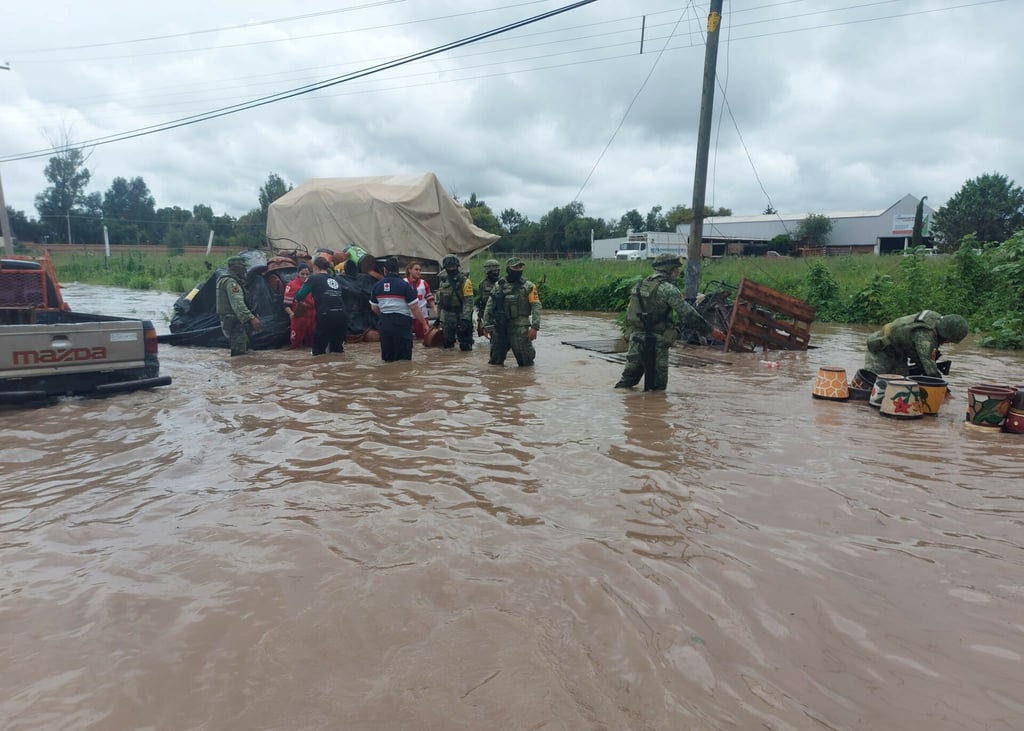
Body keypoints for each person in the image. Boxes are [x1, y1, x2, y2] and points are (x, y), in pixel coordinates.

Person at [614, 253, 719, 391]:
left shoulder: (640, 285)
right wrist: (709, 330)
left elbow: (630, 314)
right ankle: (654, 412)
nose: (678, 271)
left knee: (626, 382)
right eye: (676, 268)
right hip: (657, 341)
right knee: (658, 388)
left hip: (636, 339)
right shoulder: (668, 289)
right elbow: (687, 313)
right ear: (668, 269)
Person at [864, 310, 968, 378]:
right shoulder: (925, 335)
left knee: (900, 385)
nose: (947, 343)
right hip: (880, 349)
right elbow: (929, 367)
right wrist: (942, 385)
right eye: (948, 340)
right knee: (871, 383)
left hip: (899, 353)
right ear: (946, 334)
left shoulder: (935, 319)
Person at [481, 256, 541, 367]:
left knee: (526, 363)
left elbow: (536, 306)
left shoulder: (529, 286)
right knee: (495, 362)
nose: (518, 269)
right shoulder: (498, 285)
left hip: (520, 328)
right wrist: (486, 325)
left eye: (520, 267)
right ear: (508, 268)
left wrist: (535, 327)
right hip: (500, 327)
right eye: (515, 267)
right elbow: (489, 306)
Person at [370, 257, 429, 362]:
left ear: (385, 270)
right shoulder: (404, 286)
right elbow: (415, 308)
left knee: (387, 359)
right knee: (403, 360)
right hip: (401, 324)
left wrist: (385, 316)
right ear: (398, 270)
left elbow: (374, 308)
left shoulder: (377, 286)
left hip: (384, 324)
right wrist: (424, 324)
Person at [295, 256, 348, 356]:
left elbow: (299, 296)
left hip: (326, 315)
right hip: (342, 316)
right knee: (337, 350)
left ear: (315, 267)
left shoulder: (314, 278)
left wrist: (300, 303)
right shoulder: (335, 279)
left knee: (318, 352)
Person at [216, 256, 262, 356]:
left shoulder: (227, 280)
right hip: (234, 322)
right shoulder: (231, 282)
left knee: (244, 351)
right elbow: (238, 304)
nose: (245, 270)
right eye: (243, 267)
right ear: (236, 267)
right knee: (239, 354)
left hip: (232, 320)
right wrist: (251, 318)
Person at [435, 254, 475, 351]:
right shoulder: (443, 281)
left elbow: (468, 301)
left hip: (461, 314)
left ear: (457, 266)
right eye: (449, 267)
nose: (451, 269)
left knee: (465, 345)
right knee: (447, 345)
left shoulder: (465, 281)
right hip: (448, 317)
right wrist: (438, 318)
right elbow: (440, 302)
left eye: (453, 267)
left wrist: (465, 319)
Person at [282, 262, 315, 349]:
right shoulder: (291, 285)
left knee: (311, 344)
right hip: (298, 318)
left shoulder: (313, 284)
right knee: (295, 345)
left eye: (307, 274)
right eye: (302, 274)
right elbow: (285, 304)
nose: (305, 276)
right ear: (297, 274)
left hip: (312, 318)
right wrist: (291, 314)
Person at [404, 259, 435, 340]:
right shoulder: (404, 283)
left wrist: (434, 308)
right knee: (406, 339)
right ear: (409, 270)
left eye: (420, 270)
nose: (419, 272)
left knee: (424, 339)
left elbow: (429, 298)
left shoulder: (424, 283)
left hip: (422, 316)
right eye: (416, 269)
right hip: (408, 316)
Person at [475, 258, 501, 336]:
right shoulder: (483, 284)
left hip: (500, 315)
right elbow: (480, 300)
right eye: (493, 271)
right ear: (488, 271)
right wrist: (479, 318)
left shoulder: (503, 282)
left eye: (497, 271)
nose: (496, 273)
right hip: (488, 314)